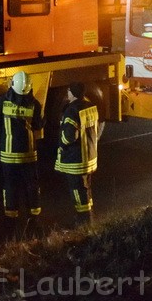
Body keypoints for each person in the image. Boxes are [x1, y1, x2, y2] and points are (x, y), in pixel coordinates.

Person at [0, 71, 44, 238]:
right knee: (31, 186)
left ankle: (11, 220)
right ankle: (34, 219)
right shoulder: (34, 104)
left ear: (12, 85)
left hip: (8, 155)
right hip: (28, 154)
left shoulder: (1, 102)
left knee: (10, 187)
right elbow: (38, 125)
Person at [55, 81, 99, 227]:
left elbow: (68, 137)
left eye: (68, 91)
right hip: (89, 157)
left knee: (77, 190)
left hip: (76, 160)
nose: (67, 93)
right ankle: (90, 218)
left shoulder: (71, 111)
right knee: (86, 189)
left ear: (72, 93)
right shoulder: (91, 107)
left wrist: (60, 140)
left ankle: (83, 221)